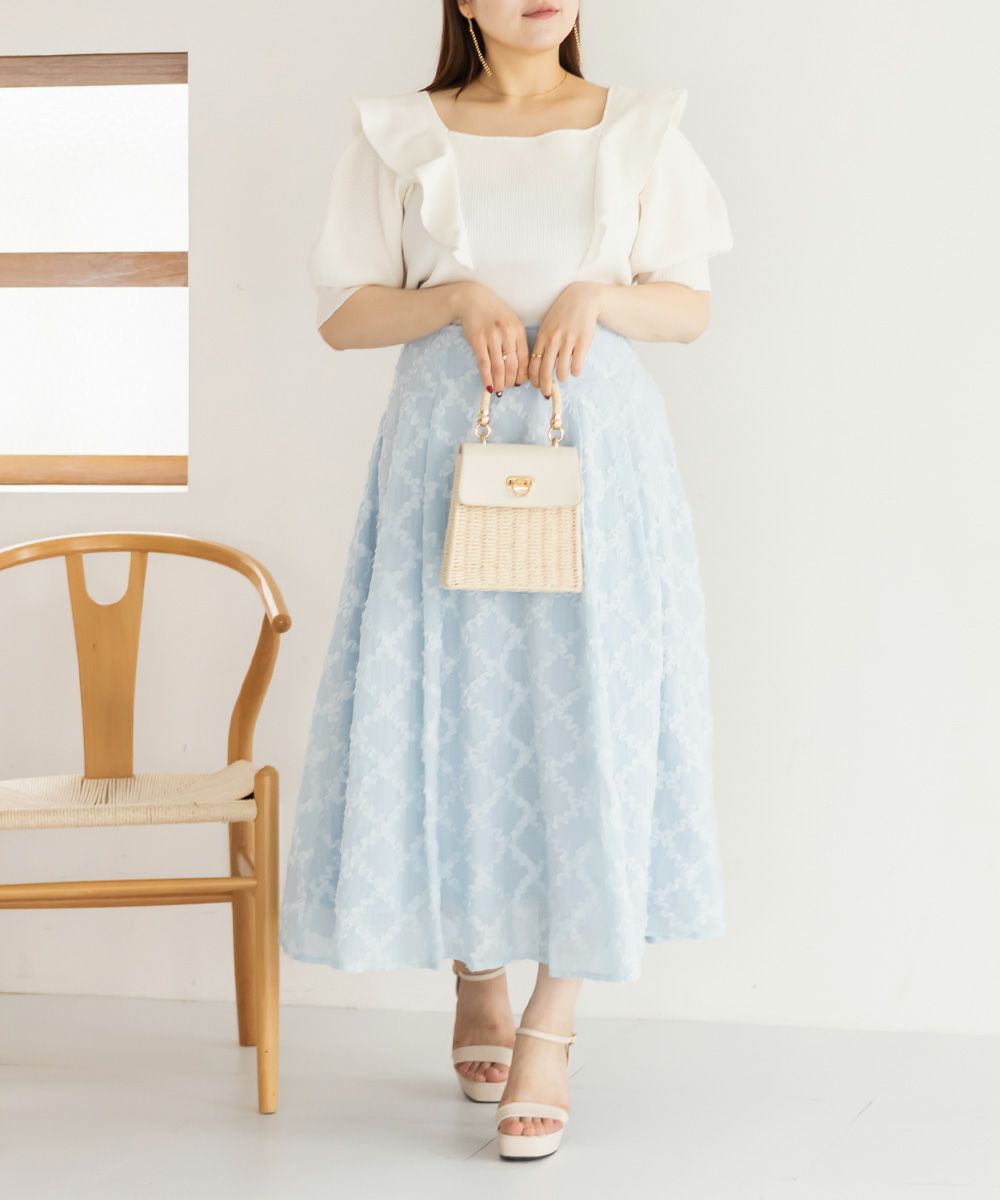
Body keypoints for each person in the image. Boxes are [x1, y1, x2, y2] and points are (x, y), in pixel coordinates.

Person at [280, 0, 734, 1161]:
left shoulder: (638, 126)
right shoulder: (400, 133)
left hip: (600, 463)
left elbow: (687, 307)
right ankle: (474, 974)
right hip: (444, 455)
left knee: (595, 723)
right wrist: (452, 298)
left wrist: (597, 296)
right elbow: (343, 317)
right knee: (448, 712)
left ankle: (550, 1027)